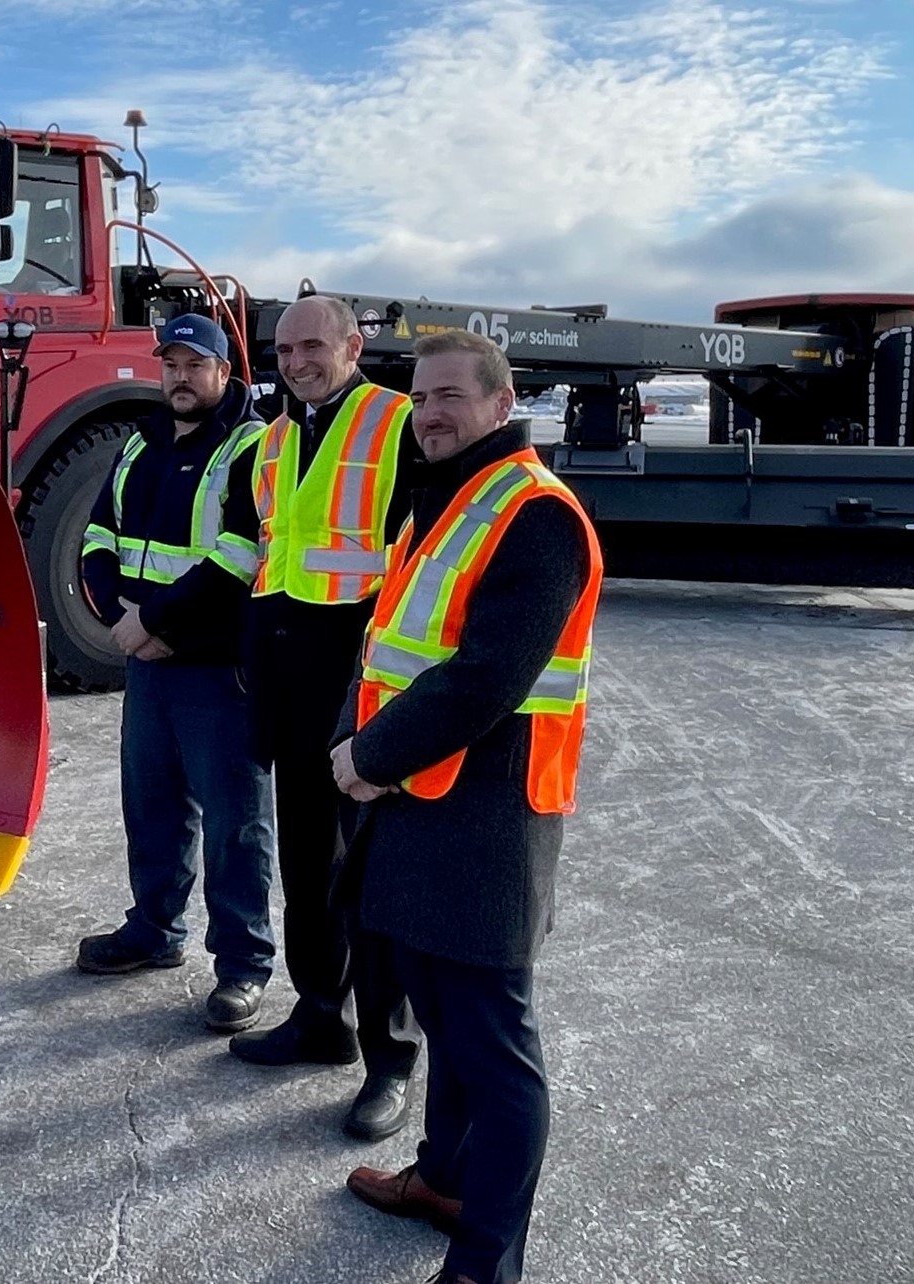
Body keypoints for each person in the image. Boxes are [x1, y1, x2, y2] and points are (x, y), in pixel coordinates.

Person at [331, 328, 603, 1284]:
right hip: (418, 806)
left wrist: (367, 758)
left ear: (501, 399)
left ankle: (486, 1262)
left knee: (493, 1045)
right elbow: (396, 648)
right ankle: (442, 1180)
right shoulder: (448, 500)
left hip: (489, 820)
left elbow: (489, 675)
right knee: (444, 1017)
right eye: (421, 397)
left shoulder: (536, 513)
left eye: (451, 395)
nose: (432, 412)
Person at [221, 294, 426, 1141]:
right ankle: (319, 1016)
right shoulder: (271, 440)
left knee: (374, 881)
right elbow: (259, 555)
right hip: (289, 677)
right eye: (283, 347)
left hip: (366, 679)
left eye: (312, 345)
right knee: (308, 866)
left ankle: (391, 1064)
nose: (295, 358)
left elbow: (426, 557)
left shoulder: (400, 425)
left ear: (354, 345)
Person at [75, 313, 279, 1035]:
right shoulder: (141, 442)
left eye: (197, 364)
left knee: (235, 824)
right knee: (152, 808)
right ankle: (154, 932)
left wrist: (153, 624)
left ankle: (243, 967)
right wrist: (118, 623)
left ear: (226, 372)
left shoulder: (253, 446)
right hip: (148, 666)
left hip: (217, 670)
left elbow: (238, 557)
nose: (181, 377)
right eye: (171, 364)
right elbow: (97, 538)